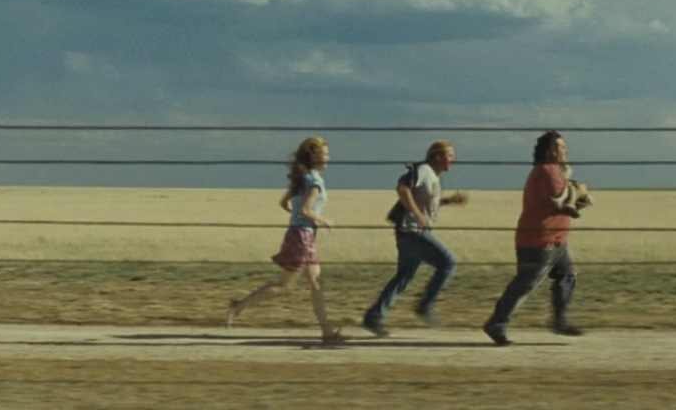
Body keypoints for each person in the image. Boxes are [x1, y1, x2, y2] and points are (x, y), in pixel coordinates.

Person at [225, 136, 346, 345]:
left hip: (301, 234)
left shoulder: (304, 178)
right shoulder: (314, 182)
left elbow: (284, 202)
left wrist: (294, 214)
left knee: (316, 284)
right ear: (313, 157)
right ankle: (237, 306)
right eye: (324, 155)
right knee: (287, 286)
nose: (328, 159)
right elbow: (306, 210)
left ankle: (327, 332)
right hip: (303, 235)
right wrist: (324, 220)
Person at [482, 130, 590, 346]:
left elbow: (569, 203)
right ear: (551, 151)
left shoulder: (554, 172)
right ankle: (497, 323)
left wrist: (578, 194)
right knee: (525, 284)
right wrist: (578, 193)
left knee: (567, 275)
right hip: (540, 241)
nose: (566, 150)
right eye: (562, 147)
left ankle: (560, 320)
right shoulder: (547, 172)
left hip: (556, 239)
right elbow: (560, 201)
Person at [361, 140, 468, 336]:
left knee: (404, 276)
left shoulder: (432, 176)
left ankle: (374, 317)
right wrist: (418, 215)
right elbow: (403, 188)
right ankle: (424, 306)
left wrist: (448, 201)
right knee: (448, 263)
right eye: (449, 156)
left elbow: (425, 202)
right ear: (437, 156)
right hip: (412, 233)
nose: (453, 160)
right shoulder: (424, 170)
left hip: (408, 234)